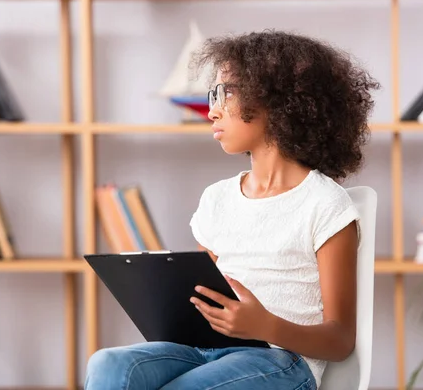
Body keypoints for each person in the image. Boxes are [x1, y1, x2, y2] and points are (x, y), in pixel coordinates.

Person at [84, 29, 379, 390]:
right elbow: (201, 295)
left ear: (279, 100)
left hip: (281, 361)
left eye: (227, 92)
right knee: (109, 364)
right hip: (204, 348)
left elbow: (340, 340)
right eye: (214, 94)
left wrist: (265, 326)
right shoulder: (217, 198)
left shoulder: (325, 205)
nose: (212, 111)